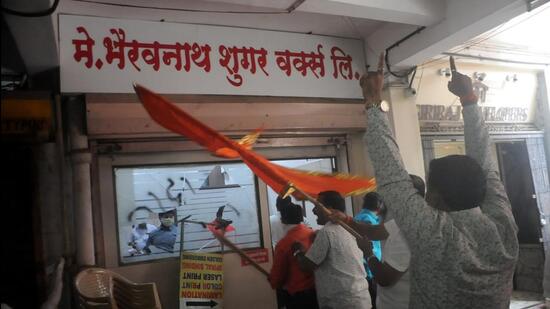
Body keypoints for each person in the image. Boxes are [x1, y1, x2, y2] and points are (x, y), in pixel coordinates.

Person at [360, 54, 518, 308]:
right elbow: (486, 168)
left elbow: (392, 177)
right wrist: (469, 100)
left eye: (429, 191)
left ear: (438, 197)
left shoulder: (435, 233)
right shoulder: (503, 226)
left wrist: (373, 101)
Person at [292, 191, 371, 309]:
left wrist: (298, 251)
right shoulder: (351, 229)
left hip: (340, 303)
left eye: (316, 207)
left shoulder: (327, 232)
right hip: (361, 299)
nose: (313, 211)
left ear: (329, 209)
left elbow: (306, 266)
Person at [269, 196, 319, 309]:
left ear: (283, 218)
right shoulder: (312, 234)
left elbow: (277, 278)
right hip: (316, 290)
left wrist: (273, 280)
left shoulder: (283, 244)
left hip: (296, 294)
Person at [354, 192, 382, 309]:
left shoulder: (357, 217)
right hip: (370, 272)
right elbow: (371, 248)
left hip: (360, 269)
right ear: (379, 205)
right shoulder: (368, 221)